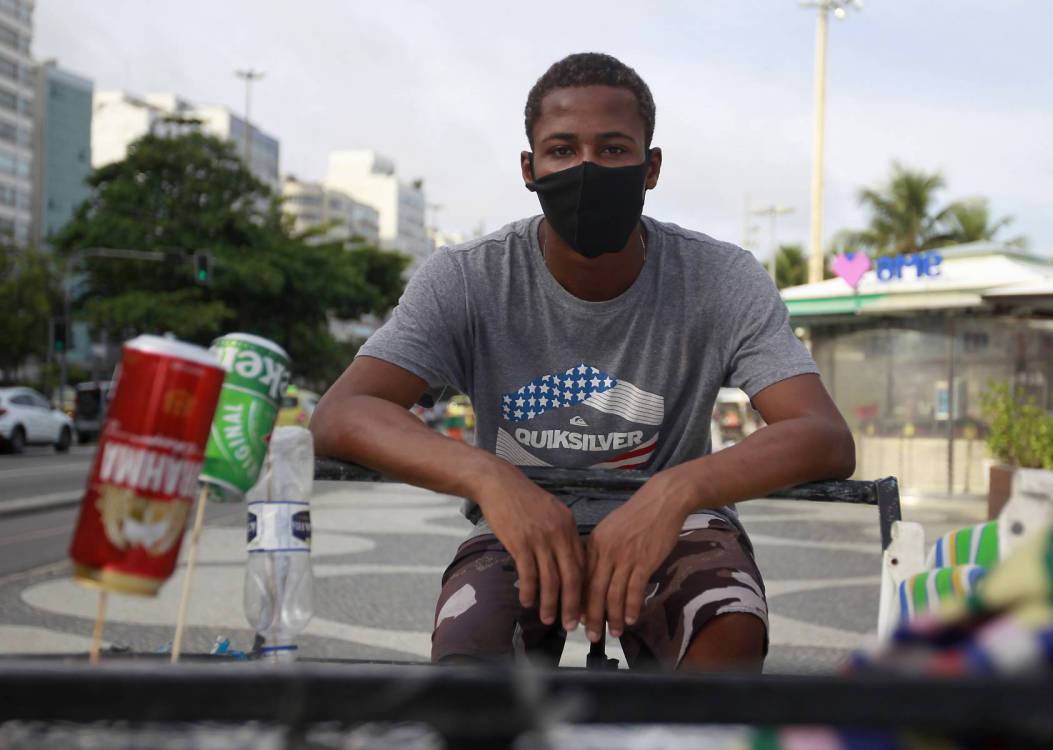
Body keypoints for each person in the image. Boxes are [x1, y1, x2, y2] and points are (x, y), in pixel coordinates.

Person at [310, 52, 855, 672]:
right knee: (471, 664)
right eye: (563, 150)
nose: (587, 168)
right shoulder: (467, 278)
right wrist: (492, 479)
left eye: (614, 149)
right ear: (529, 168)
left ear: (651, 168)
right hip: (519, 523)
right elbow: (343, 412)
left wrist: (676, 490)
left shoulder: (719, 276)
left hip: (678, 523)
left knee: (726, 628)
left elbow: (823, 435)